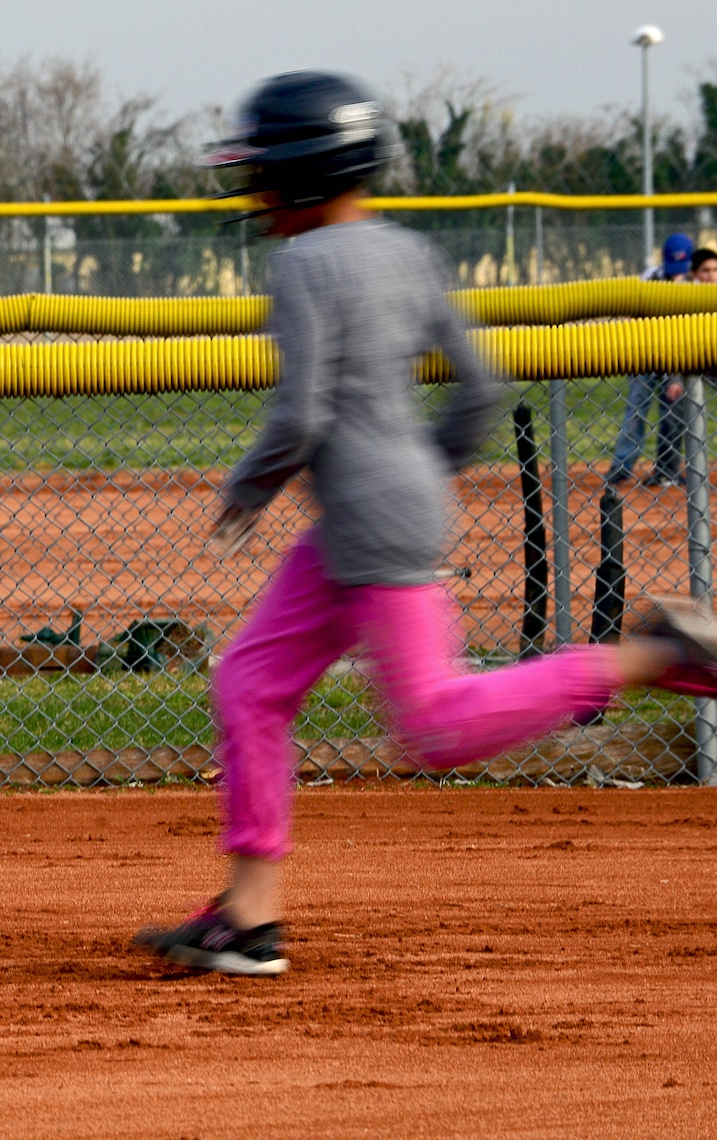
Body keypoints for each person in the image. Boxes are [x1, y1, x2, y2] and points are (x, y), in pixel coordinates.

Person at [134, 72, 717, 977]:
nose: (251, 193)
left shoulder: (298, 264)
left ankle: (655, 655)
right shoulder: (409, 252)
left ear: (298, 172)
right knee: (250, 682)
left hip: (369, 526)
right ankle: (249, 917)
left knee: (435, 726)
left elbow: (301, 417)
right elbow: (482, 388)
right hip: (377, 511)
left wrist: (247, 488)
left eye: (260, 172)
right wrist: (418, 468)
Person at [607, 232, 696, 487]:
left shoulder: (694, 285)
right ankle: (622, 465)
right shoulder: (649, 277)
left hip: (677, 356)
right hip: (646, 353)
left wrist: (675, 376)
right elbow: (631, 319)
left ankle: (666, 468)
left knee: (673, 412)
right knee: (636, 408)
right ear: (662, 257)